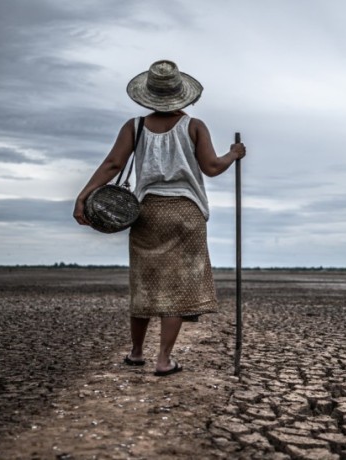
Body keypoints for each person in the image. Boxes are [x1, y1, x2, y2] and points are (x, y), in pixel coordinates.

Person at [73, 60, 245, 376]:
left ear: (148, 95)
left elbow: (113, 164)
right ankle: (164, 360)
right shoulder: (194, 126)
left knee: (144, 282)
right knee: (177, 288)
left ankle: (136, 353)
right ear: (182, 95)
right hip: (186, 212)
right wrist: (233, 155)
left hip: (147, 212)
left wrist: (84, 195)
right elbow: (211, 167)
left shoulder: (134, 127)